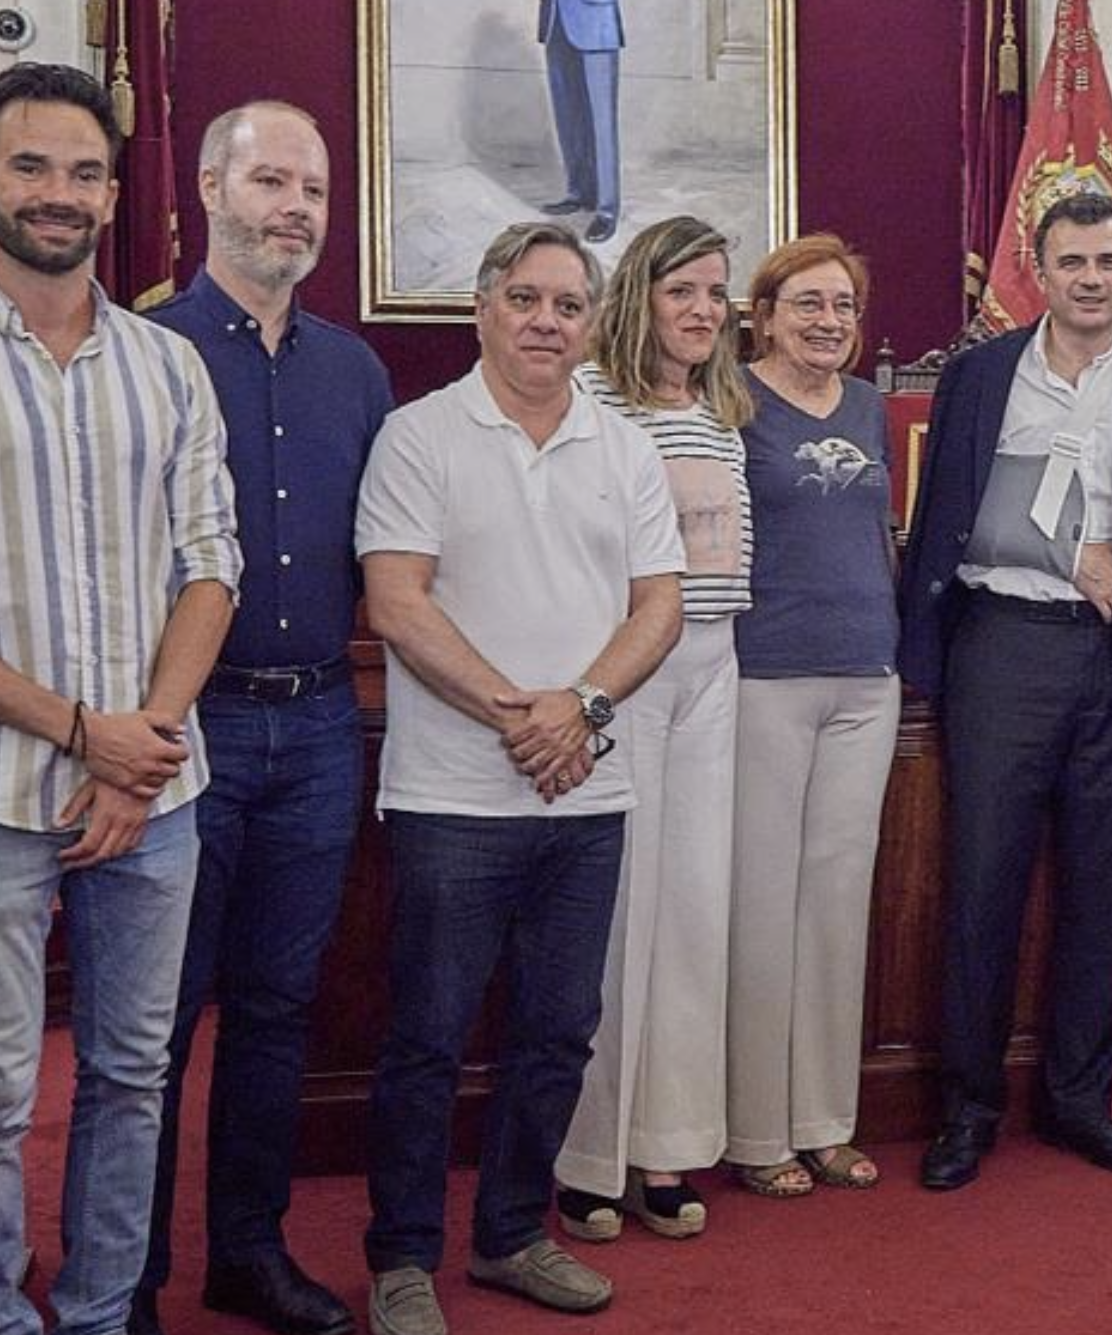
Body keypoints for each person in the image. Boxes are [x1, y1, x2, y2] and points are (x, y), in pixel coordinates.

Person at [355, 222, 683, 1335]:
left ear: (592, 323)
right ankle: (401, 1258)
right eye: (527, 299)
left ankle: (508, 1236)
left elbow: (662, 606)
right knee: (427, 1036)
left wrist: (579, 710)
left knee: (557, 1030)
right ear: (484, 307)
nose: (547, 322)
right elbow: (397, 602)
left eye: (568, 305)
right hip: (454, 796)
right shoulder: (418, 435)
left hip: (588, 795)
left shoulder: (626, 446)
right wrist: (519, 713)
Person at [0, 62, 242, 1335]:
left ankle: (99, 1311)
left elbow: (211, 561)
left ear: (113, 193)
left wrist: (142, 752)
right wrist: (85, 735)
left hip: (155, 798)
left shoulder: (166, 366)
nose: (59, 194)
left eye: (83, 172)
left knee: (134, 1076)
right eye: (31, 166)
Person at [900, 191, 1112, 1190]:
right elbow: (943, 520)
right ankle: (966, 1111)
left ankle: (1082, 1103)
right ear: (1036, 274)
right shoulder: (979, 377)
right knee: (982, 890)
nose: (1091, 279)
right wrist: (919, 670)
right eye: (1072, 262)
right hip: (999, 650)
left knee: (1100, 898)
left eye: (1108, 262)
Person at [131, 100, 393, 1335]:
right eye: (273, 182)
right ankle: (121, 1275)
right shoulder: (146, 351)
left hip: (321, 732)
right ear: (208, 191)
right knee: (156, 1023)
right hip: (189, 735)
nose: (296, 208)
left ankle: (246, 1251)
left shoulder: (357, 369)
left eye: (316, 191)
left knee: (282, 1011)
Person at [556, 216, 752, 1241]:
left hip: (715, 668)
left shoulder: (720, 405)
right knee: (623, 917)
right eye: (684, 291)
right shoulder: (594, 397)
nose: (703, 311)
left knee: (691, 911)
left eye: (717, 294)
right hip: (631, 669)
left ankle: (666, 1148)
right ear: (642, 293)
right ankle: (591, 1157)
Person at [723, 233, 899, 1198]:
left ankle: (826, 1122)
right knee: (763, 907)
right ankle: (756, 1132)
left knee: (837, 906)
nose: (827, 322)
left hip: (867, 680)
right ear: (765, 312)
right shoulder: (732, 401)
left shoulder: (871, 406)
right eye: (807, 304)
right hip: (765, 678)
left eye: (842, 306)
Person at [516, 0, 625, 244]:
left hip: (596, 23)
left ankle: (606, 210)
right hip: (554, 22)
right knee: (568, 117)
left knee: (601, 126)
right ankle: (579, 193)